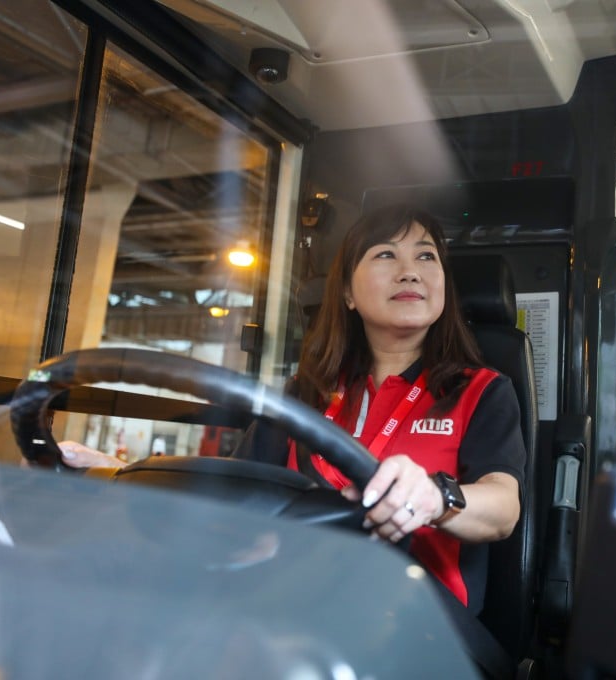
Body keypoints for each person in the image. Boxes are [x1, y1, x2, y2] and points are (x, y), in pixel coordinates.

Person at [61, 203, 526, 617]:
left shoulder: (481, 390)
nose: (411, 271)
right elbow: (231, 493)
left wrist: (434, 498)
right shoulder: (307, 395)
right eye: (386, 254)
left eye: (426, 256)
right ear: (346, 292)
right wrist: (123, 474)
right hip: (290, 601)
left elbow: (503, 507)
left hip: (413, 619)